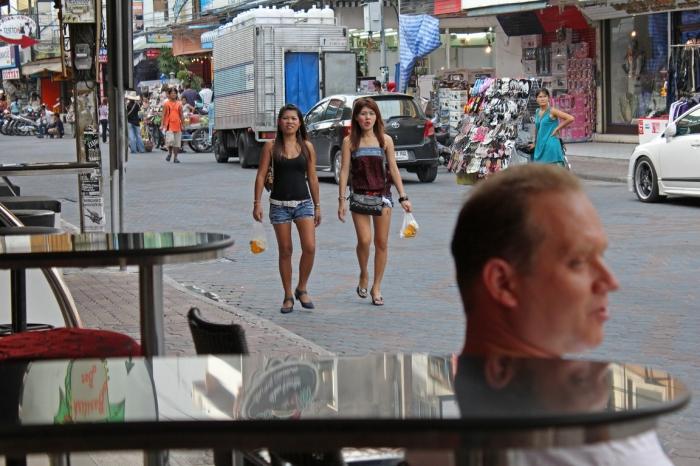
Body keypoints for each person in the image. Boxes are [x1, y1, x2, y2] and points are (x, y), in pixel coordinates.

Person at [446, 164, 672, 465]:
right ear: (503, 283)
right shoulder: (601, 446)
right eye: (578, 261)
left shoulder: (434, 428)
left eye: (600, 256)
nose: (609, 282)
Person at [337, 97, 413, 306]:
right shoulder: (349, 142)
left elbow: (394, 168)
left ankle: (376, 286)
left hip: (383, 196)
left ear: (376, 116)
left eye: (371, 113)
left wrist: (403, 196)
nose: (367, 118)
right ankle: (364, 273)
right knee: (364, 240)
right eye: (363, 113)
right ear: (356, 117)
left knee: (381, 243)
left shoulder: (385, 140)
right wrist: (342, 199)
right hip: (359, 195)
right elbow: (344, 171)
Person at [253, 104, 321, 314]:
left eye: (293, 118)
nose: (290, 122)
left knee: (309, 247)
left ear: (300, 123)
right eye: (285, 118)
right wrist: (257, 203)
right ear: (279, 123)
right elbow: (261, 175)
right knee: (286, 251)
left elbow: (312, 177)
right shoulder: (271, 147)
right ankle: (288, 295)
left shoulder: (307, 147)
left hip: (304, 203)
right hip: (279, 204)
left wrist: (317, 205)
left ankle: (302, 288)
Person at [528, 88, 574, 166]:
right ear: (536, 99)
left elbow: (570, 118)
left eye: (544, 96)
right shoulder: (537, 111)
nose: (542, 99)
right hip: (540, 144)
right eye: (540, 97)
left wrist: (557, 128)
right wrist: (535, 143)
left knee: (551, 173)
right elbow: (537, 128)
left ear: (548, 98)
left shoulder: (552, 111)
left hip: (551, 144)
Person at [161, 87, 184, 163]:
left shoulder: (179, 104)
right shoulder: (166, 104)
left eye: (175, 93)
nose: (173, 94)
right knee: (170, 141)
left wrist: (183, 124)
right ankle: (170, 153)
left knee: (177, 143)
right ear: (169, 94)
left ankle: (175, 157)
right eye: (172, 93)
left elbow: (181, 115)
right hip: (169, 125)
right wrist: (162, 125)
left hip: (177, 125)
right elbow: (163, 115)